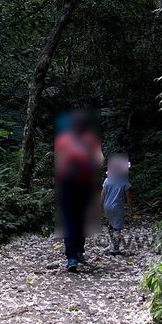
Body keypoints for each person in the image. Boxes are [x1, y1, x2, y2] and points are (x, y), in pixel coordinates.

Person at [54, 110, 103, 272]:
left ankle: (72, 256)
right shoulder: (91, 140)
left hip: (68, 185)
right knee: (81, 217)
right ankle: (78, 251)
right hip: (85, 184)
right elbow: (100, 160)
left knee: (70, 219)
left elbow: (59, 164)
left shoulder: (63, 140)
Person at [101, 154, 133, 255]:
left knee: (110, 225)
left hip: (107, 207)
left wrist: (100, 207)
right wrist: (130, 209)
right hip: (117, 208)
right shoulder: (124, 181)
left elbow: (102, 194)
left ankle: (111, 243)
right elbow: (128, 196)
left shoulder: (107, 180)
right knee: (117, 228)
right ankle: (115, 248)